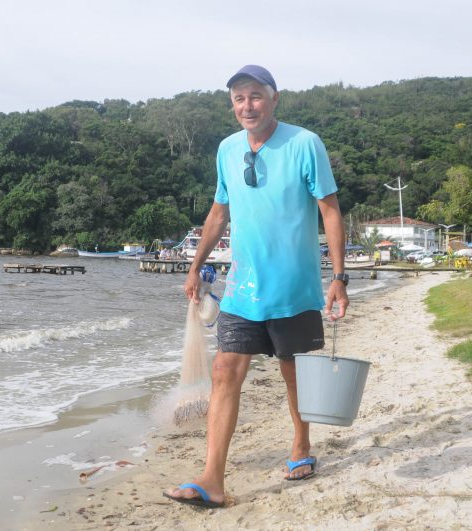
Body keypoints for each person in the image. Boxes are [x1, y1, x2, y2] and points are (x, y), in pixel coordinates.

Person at [163, 65, 349, 508]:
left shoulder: (305, 143)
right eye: (238, 98)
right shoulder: (227, 149)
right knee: (225, 372)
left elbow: (330, 211)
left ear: (274, 98)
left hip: (294, 287)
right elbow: (217, 213)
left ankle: (301, 445)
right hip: (242, 287)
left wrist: (339, 277)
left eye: (256, 96)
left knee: (292, 373)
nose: (247, 105)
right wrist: (196, 265)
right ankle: (212, 479)